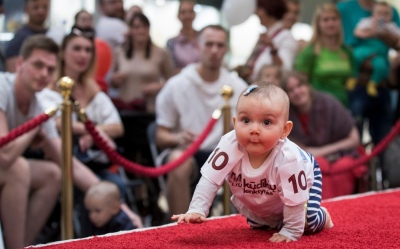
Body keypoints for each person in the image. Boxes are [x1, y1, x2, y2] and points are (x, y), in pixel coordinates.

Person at [171, 83, 333, 242]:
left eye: (266, 122)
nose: (254, 129)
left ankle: (322, 216)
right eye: (246, 120)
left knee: (307, 220)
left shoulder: (290, 159)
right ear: (235, 123)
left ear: (284, 130)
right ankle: (279, 219)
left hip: (305, 175)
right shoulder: (229, 145)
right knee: (260, 224)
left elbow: (295, 199)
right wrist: (197, 209)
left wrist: (291, 230)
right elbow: (210, 179)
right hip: (264, 193)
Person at [37, 27, 143, 233]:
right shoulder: (48, 90)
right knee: (92, 194)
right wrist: (88, 129)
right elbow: (53, 122)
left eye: (87, 50)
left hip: (94, 161)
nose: (83, 55)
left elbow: (117, 127)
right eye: (77, 49)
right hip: (61, 162)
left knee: (116, 185)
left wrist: (91, 131)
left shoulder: (95, 90)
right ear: (62, 53)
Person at [0, 35, 94, 248]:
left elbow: (67, 162)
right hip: (8, 166)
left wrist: (116, 200)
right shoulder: (2, 86)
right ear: (20, 64)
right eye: (38, 65)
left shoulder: (39, 105)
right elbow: (4, 156)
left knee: (54, 174)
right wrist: (34, 129)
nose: (44, 74)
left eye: (50, 69)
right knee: (19, 168)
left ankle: (24, 244)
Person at [155, 25, 248, 216]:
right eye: (209, 44)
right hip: (189, 153)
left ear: (226, 49)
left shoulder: (238, 87)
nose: (214, 51)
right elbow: (160, 135)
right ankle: (180, 231)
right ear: (198, 46)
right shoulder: (177, 85)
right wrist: (178, 138)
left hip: (227, 154)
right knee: (178, 161)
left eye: (220, 45)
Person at [281, 71, 366, 198]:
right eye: (291, 90)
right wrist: (314, 154)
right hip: (310, 161)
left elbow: (354, 139)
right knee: (317, 166)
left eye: (299, 86)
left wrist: (320, 151)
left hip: (343, 154)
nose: (297, 92)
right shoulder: (287, 115)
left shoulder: (329, 103)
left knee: (344, 167)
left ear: (308, 85)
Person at [111, 13, 174, 113]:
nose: (141, 31)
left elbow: (173, 82)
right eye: (136, 27)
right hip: (125, 109)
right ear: (130, 30)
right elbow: (111, 82)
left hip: (151, 110)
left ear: (149, 29)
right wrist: (114, 81)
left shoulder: (161, 53)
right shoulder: (119, 52)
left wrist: (158, 86)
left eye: (144, 27)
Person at [295, 3, 353, 107]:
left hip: (343, 106)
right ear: (318, 23)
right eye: (326, 20)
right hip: (318, 106)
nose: (331, 23)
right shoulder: (309, 52)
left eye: (334, 19)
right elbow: (299, 85)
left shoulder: (347, 51)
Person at [236, 0, 298, 83]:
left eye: (260, 9)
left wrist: (273, 49)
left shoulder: (286, 37)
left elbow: (285, 70)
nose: (256, 12)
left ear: (269, 10)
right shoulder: (267, 35)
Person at [353, 2, 400, 89]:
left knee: (381, 66)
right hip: (366, 49)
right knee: (356, 56)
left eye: (386, 14)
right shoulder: (367, 21)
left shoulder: (391, 26)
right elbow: (357, 32)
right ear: (373, 14)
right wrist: (370, 33)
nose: (382, 16)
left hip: (381, 53)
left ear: (391, 16)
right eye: (379, 13)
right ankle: (353, 76)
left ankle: (373, 83)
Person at [5, 0, 50, 72]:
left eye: (45, 7)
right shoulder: (19, 39)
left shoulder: (53, 35)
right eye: (35, 7)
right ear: (26, 9)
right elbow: (13, 73)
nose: (41, 11)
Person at [166, 0, 201, 73]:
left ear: (195, 14)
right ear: (178, 16)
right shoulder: (171, 43)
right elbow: (171, 70)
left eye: (190, 12)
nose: (187, 16)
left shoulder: (203, 39)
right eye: (183, 12)